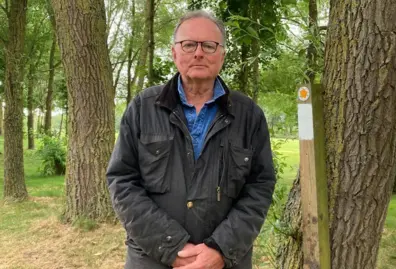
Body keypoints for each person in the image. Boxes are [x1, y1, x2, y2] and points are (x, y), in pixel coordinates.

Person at [106, 10, 276, 269]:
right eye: (189, 44)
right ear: (174, 52)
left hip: (225, 262)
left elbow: (260, 187)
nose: (199, 53)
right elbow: (122, 181)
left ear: (222, 55)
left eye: (209, 45)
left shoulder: (249, 115)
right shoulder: (142, 108)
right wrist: (171, 246)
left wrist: (220, 249)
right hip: (152, 259)